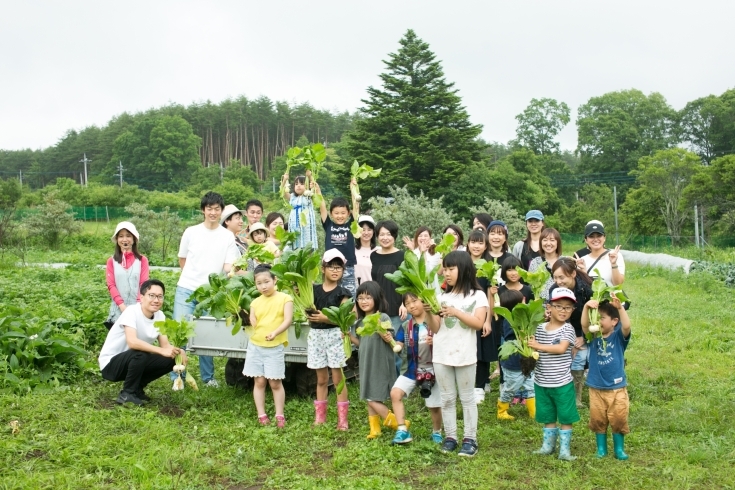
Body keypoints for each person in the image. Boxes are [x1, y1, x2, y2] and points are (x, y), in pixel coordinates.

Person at [425, 251, 489, 457]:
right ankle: (451, 437)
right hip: (442, 352)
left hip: (465, 354)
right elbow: (436, 328)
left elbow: (478, 323)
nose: (447, 273)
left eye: (451, 268)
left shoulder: (477, 296)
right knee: (447, 397)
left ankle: (470, 439)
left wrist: (456, 312)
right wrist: (428, 312)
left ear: (464, 269)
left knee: (467, 398)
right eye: (445, 269)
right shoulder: (441, 297)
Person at [174, 191, 240, 387]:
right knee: (180, 333)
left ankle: (208, 377)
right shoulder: (191, 231)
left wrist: (238, 272)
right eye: (209, 208)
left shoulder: (227, 236)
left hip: (210, 294)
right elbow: (182, 258)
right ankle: (178, 377)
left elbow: (229, 266)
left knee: (206, 336)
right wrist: (192, 277)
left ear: (221, 212)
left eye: (216, 209)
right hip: (186, 289)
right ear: (203, 210)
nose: (213, 212)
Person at [99, 279, 184, 406]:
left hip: (134, 361)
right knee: (140, 353)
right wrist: (161, 351)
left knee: (172, 357)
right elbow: (132, 342)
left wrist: (179, 352)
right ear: (142, 297)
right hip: (111, 365)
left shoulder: (160, 316)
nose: (156, 300)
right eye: (152, 296)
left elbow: (165, 346)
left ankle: (137, 388)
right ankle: (127, 394)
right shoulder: (131, 312)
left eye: (160, 297)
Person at [527, 287, 580, 461]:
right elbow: (529, 344)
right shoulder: (540, 328)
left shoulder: (568, 329)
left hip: (562, 382)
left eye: (568, 307)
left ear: (572, 310)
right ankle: (547, 446)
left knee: (565, 416)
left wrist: (538, 346)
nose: (563, 311)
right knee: (547, 415)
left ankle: (564, 451)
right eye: (559, 306)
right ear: (549, 307)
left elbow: (561, 348)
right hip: (542, 381)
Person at [305, 249, 353, 430]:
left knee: (338, 378)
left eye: (338, 268)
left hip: (335, 336)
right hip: (316, 336)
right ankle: (320, 417)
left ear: (343, 271)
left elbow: (347, 317)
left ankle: (342, 420)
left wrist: (325, 318)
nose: (335, 271)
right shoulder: (313, 290)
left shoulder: (343, 293)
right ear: (323, 268)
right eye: (331, 267)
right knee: (321, 379)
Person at [581, 296, 632, 460]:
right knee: (598, 419)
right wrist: (586, 308)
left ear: (614, 321)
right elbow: (584, 325)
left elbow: (627, 326)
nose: (598, 321)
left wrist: (620, 308)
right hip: (596, 387)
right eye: (596, 318)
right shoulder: (592, 337)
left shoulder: (618, 337)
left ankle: (619, 449)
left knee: (618, 418)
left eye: (602, 318)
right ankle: (601, 449)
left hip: (617, 388)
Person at [389, 292, 444, 445]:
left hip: (434, 370)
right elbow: (399, 343)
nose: (412, 306)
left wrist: (436, 341)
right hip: (411, 369)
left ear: (423, 301)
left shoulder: (435, 321)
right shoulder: (406, 326)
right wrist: (394, 344)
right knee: (395, 393)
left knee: (434, 405)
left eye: (414, 301)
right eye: (407, 304)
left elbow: (445, 340)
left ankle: (437, 432)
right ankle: (402, 430)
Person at [244, 265, 294, 428]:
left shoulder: (285, 298)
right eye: (259, 283)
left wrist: (275, 332)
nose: (263, 286)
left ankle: (279, 415)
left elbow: (288, 320)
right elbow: (253, 321)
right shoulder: (255, 302)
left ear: (274, 280)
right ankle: (262, 415)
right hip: (255, 346)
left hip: (274, 347)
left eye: (266, 282)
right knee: (259, 382)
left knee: (275, 383)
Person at [351, 281, 398, 440]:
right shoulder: (359, 322)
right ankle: (375, 429)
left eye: (368, 297)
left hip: (379, 361)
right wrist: (349, 337)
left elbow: (389, 337)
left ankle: (396, 422)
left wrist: (384, 333)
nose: (363, 301)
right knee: (369, 394)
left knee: (371, 396)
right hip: (366, 362)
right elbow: (361, 343)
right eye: (360, 298)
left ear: (377, 298)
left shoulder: (382, 317)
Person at [550, 257, 594, 409]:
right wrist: (570, 339)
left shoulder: (587, 288)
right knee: (573, 354)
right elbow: (559, 317)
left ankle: (578, 396)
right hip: (567, 328)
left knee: (581, 355)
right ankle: (567, 395)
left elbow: (595, 316)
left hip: (590, 328)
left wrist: (584, 336)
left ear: (573, 274)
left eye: (561, 277)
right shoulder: (554, 290)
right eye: (555, 277)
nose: (558, 281)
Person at [370, 221, 408, 373]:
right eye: (381, 234)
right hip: (380, 309)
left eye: (388, 234)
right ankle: (389, 381)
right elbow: (374, 282)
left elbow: (407, 281)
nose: (385, 238)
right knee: (383, 346)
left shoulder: (402, 255)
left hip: (398, 307)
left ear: (394, 236)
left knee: (398, 347)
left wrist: (404, 303)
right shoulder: (374, 256)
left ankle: (403, 382)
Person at [496, 289, 536, 421]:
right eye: (522, 300)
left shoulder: (525, 319)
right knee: (511, 387)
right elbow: (510, 339)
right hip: (513, 363)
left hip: (527, 360)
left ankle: (534, 412)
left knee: (531, 386)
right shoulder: (509, 320)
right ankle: (501, 410)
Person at [319, 182, 360, 297]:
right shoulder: (328, 225)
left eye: (343, 213)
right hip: (331, 267)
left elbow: (356, 205)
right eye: (336, 213)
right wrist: (318, 191)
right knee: (331, 295)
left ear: (348, 213)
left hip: (348, 266)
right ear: (331, 214)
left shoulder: (351, 225)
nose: (340, 216)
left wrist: (353, 188)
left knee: (350, 296)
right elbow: (322, 207)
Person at [105, 221, 149, 327]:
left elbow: (144, 284)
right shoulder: (111, 261)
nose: (125, 239)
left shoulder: (142, 260)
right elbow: (111, 285)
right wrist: (122, 306)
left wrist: (137, 307)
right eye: (121, 236)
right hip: (118, 309)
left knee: (135, 342)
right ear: (117, 240)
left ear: (134, 239)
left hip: (138, 309)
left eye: (128, 236)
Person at [466, 229, 492, 404]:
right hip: (464, 312)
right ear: (468, 244)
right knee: (466, 350)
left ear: (485, 246)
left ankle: (480, 387)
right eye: (473, 242)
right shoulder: (462, 263)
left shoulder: (489, 266)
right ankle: (466, 385)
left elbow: (491, 294)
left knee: (481, 351)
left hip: (481, 312)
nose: (476, 246)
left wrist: (488, 320)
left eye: (480, 243)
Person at [575, 222, 625, 288]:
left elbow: (618, 284)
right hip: (591, 298)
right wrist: (583, 271)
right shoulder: (582, 261)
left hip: (611, 297)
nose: (595, 239)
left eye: (599, 236)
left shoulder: (615, 255)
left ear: (604, 238)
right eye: (591, 236)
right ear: (586, 240)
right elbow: (584, 288)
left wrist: (613, 264)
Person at [283, 172, 317, 250]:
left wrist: (310, 176)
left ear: (307, 186)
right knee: (294, 247)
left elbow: (315, 188)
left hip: (306, 227)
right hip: (294, 227)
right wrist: (284, 180)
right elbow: (283, 192)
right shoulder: (292, 197)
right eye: (296, 184)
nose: (298, 185)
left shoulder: (308, 195)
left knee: (307, 248)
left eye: (302, 184)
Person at [528, 228, 564, 301]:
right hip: (541, 306)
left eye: (552, 240)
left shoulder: (565, 261)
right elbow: (531, 286)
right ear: (541, 242)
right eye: (545, 240)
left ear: (558, 243)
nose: (548, 243)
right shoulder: (535, 262)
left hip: (562, 304)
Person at [354, 215, 376, 288]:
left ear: (373, 231)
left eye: (369, 229)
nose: (366, 233)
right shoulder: (351, 251)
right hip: (355, 292)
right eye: (363, 229)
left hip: (374, 292)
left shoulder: (379, 251)